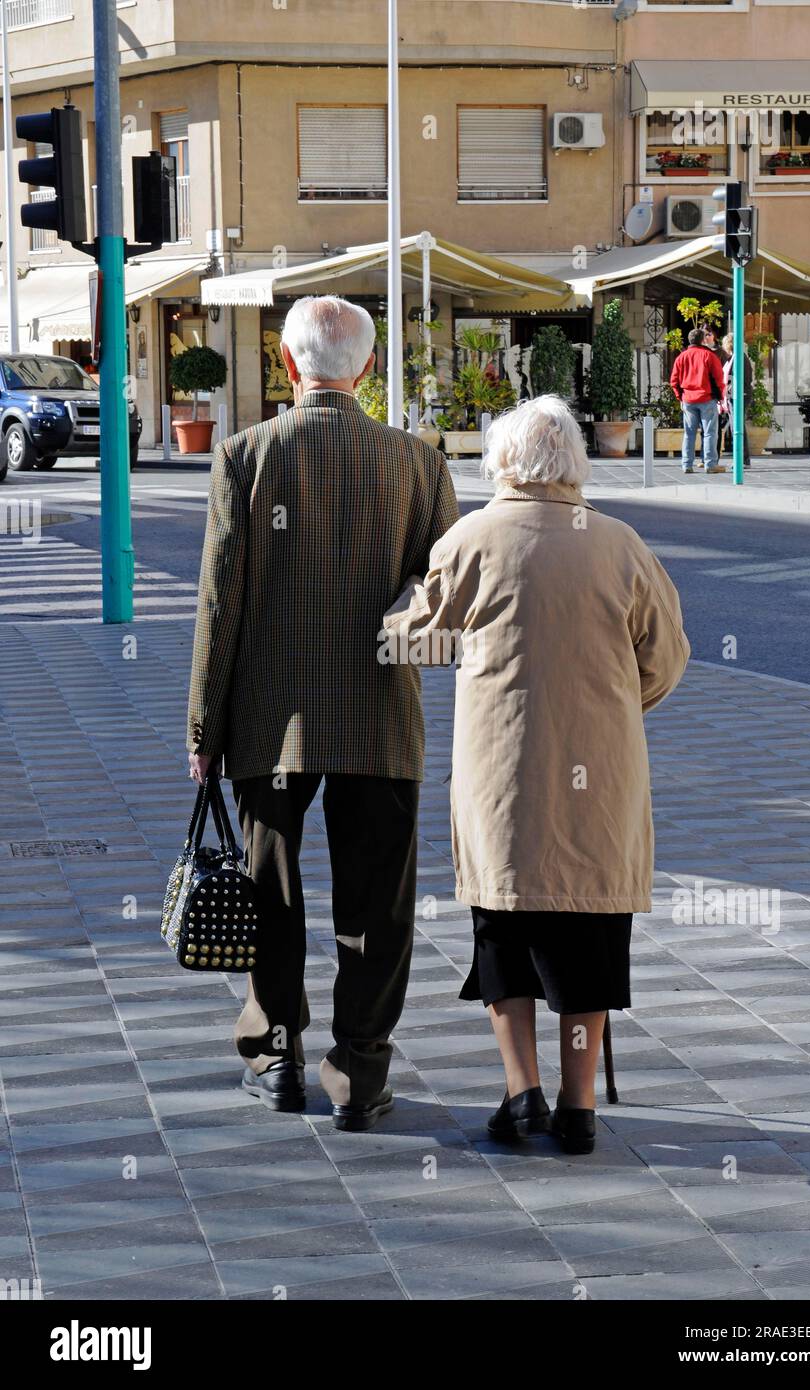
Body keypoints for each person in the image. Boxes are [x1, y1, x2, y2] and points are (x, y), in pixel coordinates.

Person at [382, 396, 689, 1154]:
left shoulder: (472, 538)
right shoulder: (619, 544)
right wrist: (615, 706)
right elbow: (667, 657)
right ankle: (577, 1106)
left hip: (503, 775)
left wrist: (393, 608)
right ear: (573, 464)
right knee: (588, 934)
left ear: (502, 464)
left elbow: (413, 645)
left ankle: (520, 1095)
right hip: (601, 775)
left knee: (504, 929)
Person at [187, 295, 459, 1131]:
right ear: (366, 369)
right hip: (380, 716)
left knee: (269, 891)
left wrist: (205, 726)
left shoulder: (243, 455)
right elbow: (443, 599)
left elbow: (218, 605)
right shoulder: (418, 463)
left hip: (270, 720)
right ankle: (361, 1070)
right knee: (377, 903)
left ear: (285, 361)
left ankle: (277, 1057)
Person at [669, 328, 726, 475]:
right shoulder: (710, 355)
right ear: (703, 340)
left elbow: (674, 381)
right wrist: (720, 396)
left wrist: (680, 397)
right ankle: (710, 464)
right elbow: (719, 379)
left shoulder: (681, 357)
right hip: (707, 398)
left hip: (688, 398)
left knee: (689, 433)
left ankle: (687, 464)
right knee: (710, 433)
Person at [721, 333, 753, 468]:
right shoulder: (736, 357)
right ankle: (742, 458)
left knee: (737, 427)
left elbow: (744, 379)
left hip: (739, 395)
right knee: (737, 427)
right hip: (734, 395)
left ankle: (743, 459)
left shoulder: (739, 357)